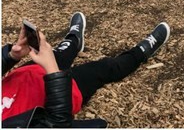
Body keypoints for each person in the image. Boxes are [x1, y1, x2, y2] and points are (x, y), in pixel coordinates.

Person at [2, 13, 170, 127]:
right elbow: (56, 124)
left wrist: (11, 56)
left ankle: (74, 39)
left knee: (62, 51)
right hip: (62, 94)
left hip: (24, 76)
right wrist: (52, 69)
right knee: (105, 68)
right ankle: (142, 51)